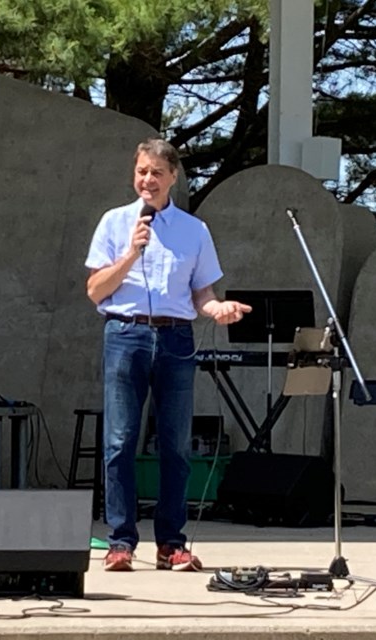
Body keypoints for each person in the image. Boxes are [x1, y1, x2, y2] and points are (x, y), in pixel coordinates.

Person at [84, 137, 252, 572]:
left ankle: (171, 543)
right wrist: (130, 253)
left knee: (175, 445)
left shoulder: (194, 230)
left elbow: (203, 292)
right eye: (141, 171)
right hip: (125, 334)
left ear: (173, 177)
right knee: (119, 441)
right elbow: (95, 290)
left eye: (157, 172)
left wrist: (218, 309)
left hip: (176, 339)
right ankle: (121, 542)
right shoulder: (115, 222)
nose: (148, 180)